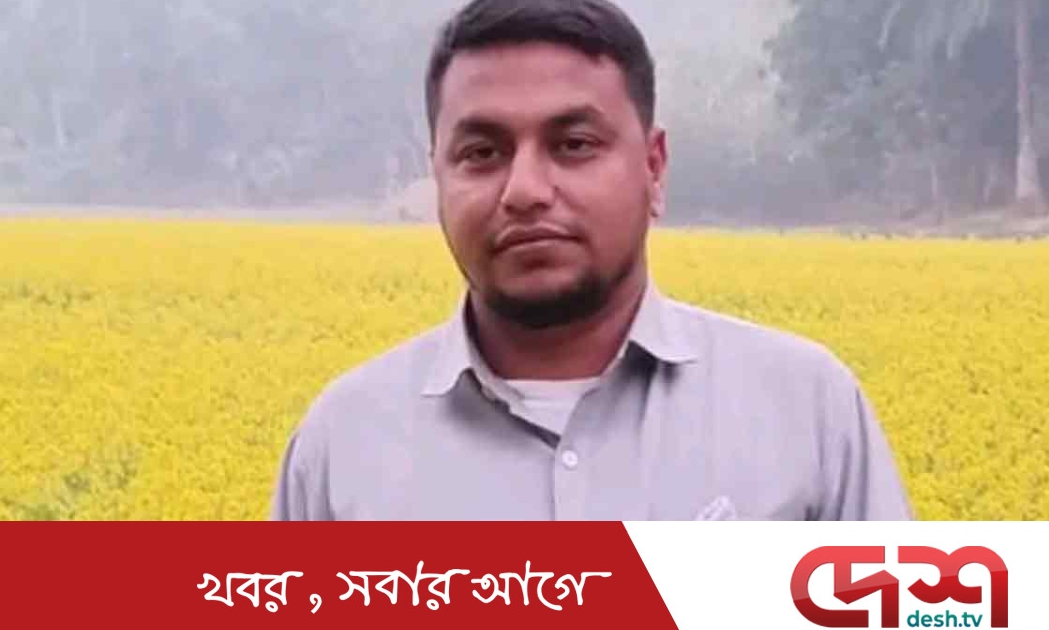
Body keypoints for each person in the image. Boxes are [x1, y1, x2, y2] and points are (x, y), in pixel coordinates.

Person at [269, 0, 913, 521]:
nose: (525, 190)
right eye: (482, 153)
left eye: (574, 144)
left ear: (653, 168)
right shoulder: (342, 447)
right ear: (438, 175)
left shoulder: (807, 410)